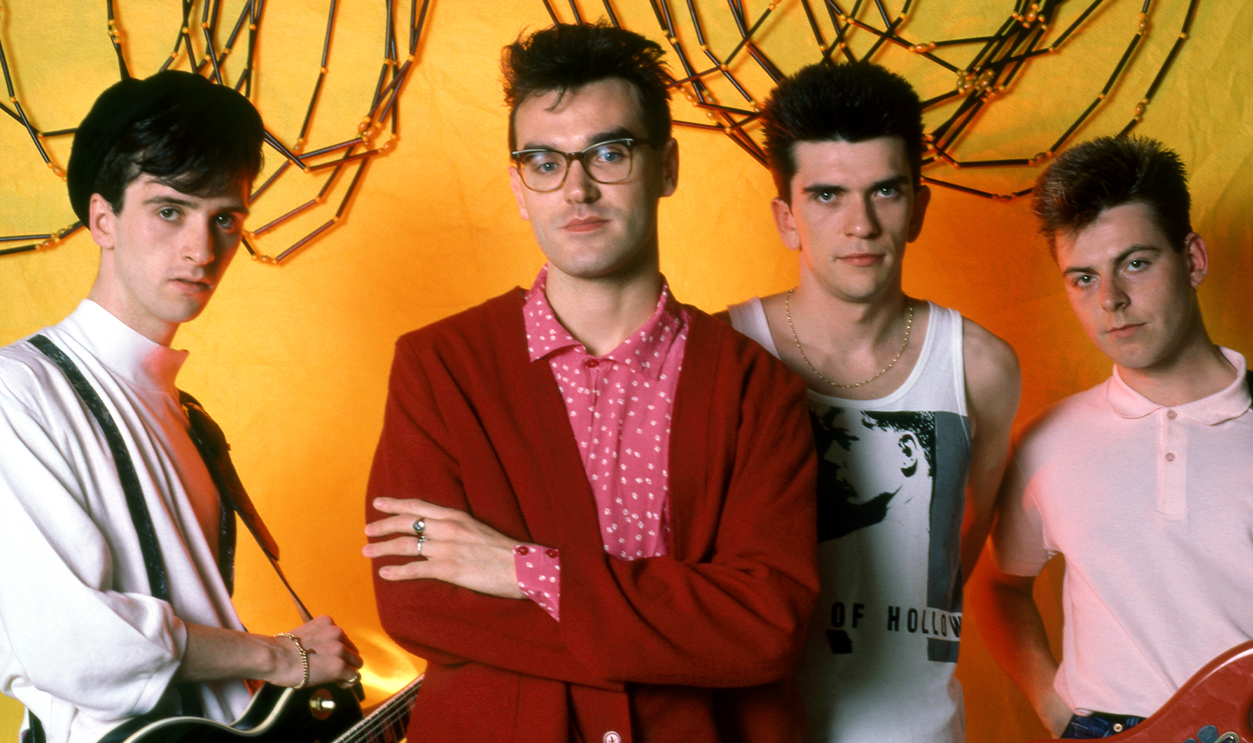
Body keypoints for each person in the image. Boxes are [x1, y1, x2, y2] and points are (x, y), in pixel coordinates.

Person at [362, 23, 819, 743]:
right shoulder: (440, 365)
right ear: (519, 187)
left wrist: (523, 571)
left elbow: (766, 628)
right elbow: (418, 604)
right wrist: (674, 636)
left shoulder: (756, 389)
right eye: (544, 162)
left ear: (666, 167)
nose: (577, 189)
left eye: (609, 153)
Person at [0, 71, 361, 743]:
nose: (202, 250)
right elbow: (72, 643)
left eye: (224, 218)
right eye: (169, 210)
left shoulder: (187, 415)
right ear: (102, 218)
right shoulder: (17, 392)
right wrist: (281, 656)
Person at [720, 61, 1021, 742]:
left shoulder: (980, 366)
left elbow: (957, 548)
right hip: (762, 728)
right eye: (827, 195)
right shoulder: (723, 352)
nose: (859, 224)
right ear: (787, 218)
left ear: (917, 208)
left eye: (884, 191)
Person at [971, 135, 1253, 739]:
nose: (1111, 300)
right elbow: (998, 585)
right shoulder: (1046, 442)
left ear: (1193, 259)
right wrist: (1055, 708)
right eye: (1083, 278)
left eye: (1136, 263)